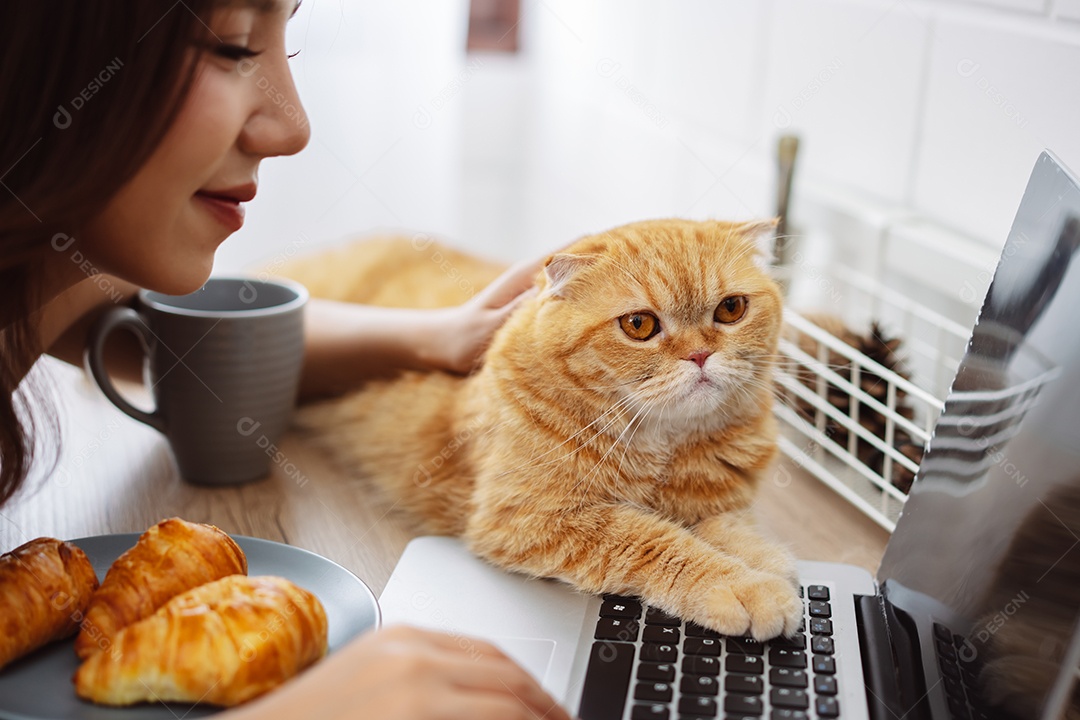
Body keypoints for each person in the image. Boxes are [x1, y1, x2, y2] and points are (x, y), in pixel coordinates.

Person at [0, 3, 569, 719]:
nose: (293, 129)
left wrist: (439, 337)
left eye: (285, 52)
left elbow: (188, 334)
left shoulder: (47, 276)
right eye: (232, 47)